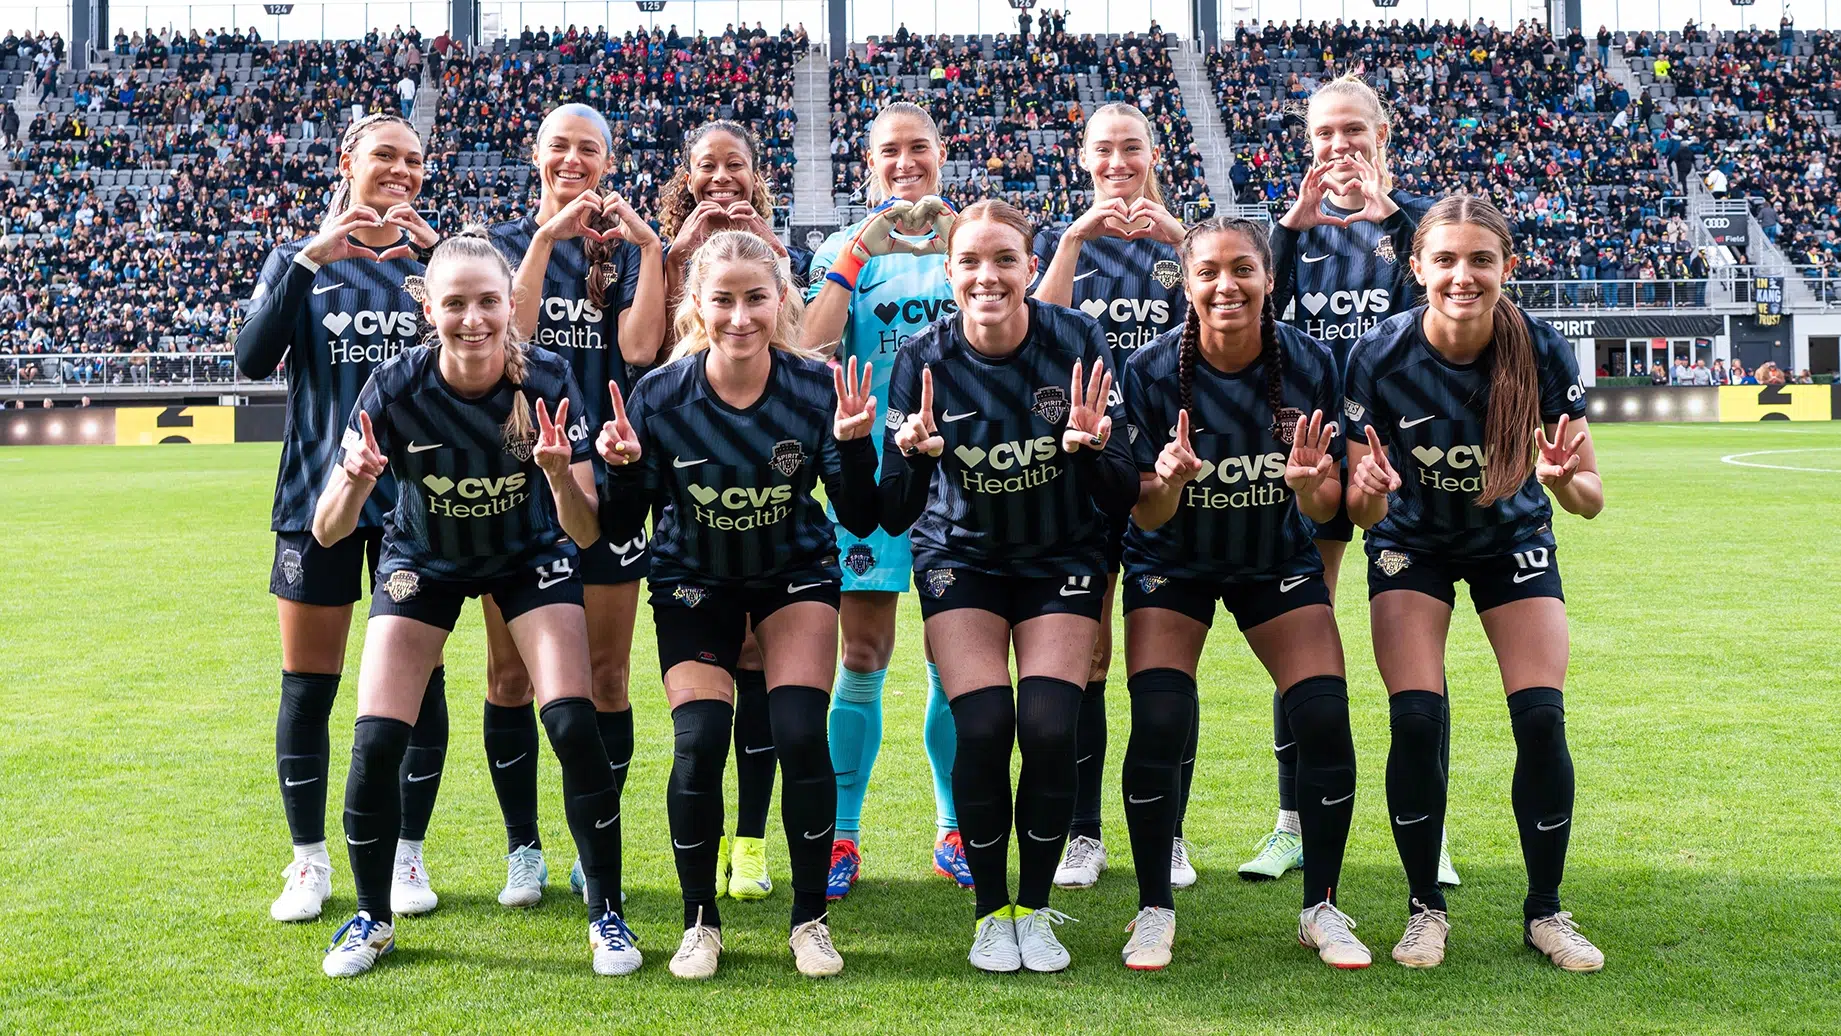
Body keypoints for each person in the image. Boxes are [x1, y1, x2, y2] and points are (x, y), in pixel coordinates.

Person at [315, 228, 638, 978]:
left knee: (570, 720)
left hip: (528, 558)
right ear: (428, 307)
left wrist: (559, 475)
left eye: (487, 302)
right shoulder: (395, 385)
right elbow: (329, 530)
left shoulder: (548, 376)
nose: (472, 319)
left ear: (509, 306)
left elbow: (585, 527)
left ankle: (608, 914)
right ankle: (373, 916)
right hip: (423, 559)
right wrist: (360, 479)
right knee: (375, 739)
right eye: (454, 304)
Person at [599, 230, 880, 980]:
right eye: (722, 299)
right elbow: (621, 527)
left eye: (756, 298)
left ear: (782, 300)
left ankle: (809, 920)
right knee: (698, 739)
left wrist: (853, 446)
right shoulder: (661, 394)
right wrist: (621, 473)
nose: (739, 315)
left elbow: (857, 516)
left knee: (797, 734)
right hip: (694, 582)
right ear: (697, 304)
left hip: (793, 575)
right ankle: (699, 921)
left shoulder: (814, 387)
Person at [1343, 195, 1605, 972]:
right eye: (1446, 260)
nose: (1463, 276)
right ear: (1416, 266)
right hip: (1410, 544)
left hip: (1510, 541)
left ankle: (1545, 912)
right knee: (1416, 719)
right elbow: (1360, 512)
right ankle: (1426, 908)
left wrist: (1560, 482)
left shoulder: (1542, 349)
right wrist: (1373, 490)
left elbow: (1589, 499)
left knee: (1539, 720)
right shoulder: (1378, 356)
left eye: (1480, 260)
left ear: (1506, 268)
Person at [881, 200, 1136, 973]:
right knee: (986, 727)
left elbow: (1121, 491)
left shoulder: (1076, 340)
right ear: (949, 272)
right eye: (970, 262)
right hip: (962, 558)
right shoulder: (921, 357)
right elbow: (892, 513)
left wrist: (1090, 451)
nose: (987, 276)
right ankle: (990, 912)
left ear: (1031, 266)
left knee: (1052, 727)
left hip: (1060, 554)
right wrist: (916, 455)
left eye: (1004, 260)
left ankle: (1033, 908)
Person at [1117, 217, 1365, 971]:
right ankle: (1153, 907)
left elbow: (1330, 509)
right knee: (1160, 717)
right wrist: (1169, 482)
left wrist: (1311, 486)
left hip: (1273, 560)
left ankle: (1321, 905)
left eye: (1241, 270)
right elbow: (1144, 510)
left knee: (1322, 714)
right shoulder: (1150, 372)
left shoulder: (1314, 362)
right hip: (1173, 561)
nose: (1225, 286)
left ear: (1268, 278)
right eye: (1208, 273)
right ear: (1186, 285)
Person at [234, 113, 450, 926]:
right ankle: (308, 864)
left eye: (415, 160)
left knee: (418, 684)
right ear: (347, 162)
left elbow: (494, 343)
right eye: (386, 156)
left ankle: (406, 859)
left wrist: (435, 260)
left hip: (416, 510)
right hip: (314, 499)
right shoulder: (303, 261)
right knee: (309, 686)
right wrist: (309, 256)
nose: (401, 170)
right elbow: (253, 358)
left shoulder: (430, 267)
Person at [1255, 74, 1451, 886]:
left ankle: (1427, 828)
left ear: (1382, 133)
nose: (1337, 147)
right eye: (1323, 135)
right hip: (1309, 449)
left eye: (1351, 132)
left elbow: (1433, 323)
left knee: (1417, 648)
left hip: (1396, 453)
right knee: (1304, 625)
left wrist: (1388, 220)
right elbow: (1242, 320)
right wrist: (1282, 230)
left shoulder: (1420, 222)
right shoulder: (1293, 231)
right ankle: (1290, 820)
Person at [484, 103, 665, 908]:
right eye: (558, 145)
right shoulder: (503, 244)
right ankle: (523, 847)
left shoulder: (626, 251)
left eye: (587, 149)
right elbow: (508, 342)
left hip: (609, 480)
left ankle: (596, 845)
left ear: (607, 160)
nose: (572, 159)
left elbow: (634, 351)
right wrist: (544, 238)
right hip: (522, 484)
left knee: (606, 678)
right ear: (536, 153)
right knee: (509, 676)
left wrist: (649, 250)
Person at [803, 102, 968, 896]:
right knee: (861, 657)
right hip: (866, 481)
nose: (905, 164)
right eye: (888, 152)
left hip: (957, 478)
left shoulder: (963, 237)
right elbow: (806, 342)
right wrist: (854, 257)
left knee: (950, 659)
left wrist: (963, 241)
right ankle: (841, 838)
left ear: (942, 155)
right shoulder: (845, 247)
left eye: (918, 150)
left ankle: (953, 827)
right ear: (866, 164)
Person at [1029, 102, 1189, 892]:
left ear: (1152, 152)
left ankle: (1173, 833)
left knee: (1163, 664)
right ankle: (1083, 833)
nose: (1118, 161)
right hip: (1083, 471)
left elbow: (1226, 326)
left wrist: (1183, 243)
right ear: (1083, 159)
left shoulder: (1176, 241)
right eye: (1104, 150)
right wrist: (1070, 239)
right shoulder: (1065, 242)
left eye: (1131, 147)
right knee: (1086, 659)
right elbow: (1037, 327)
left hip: (1162, 467)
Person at [658, 118, 806, 900]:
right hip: (691, 487)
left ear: (755, 174)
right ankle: (708, 863)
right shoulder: (658, 251)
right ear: (687, 172)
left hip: (774, 506)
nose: (722, 180)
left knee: (761, 679)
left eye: (736, 167)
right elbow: (644, 351)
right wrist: (679, 251)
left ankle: (749, 842)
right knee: (704, 710)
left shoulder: (775, 258)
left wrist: (772, 257)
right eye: (707, 166)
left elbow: (807, 343)